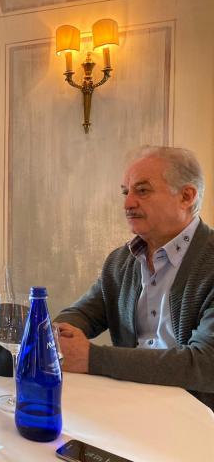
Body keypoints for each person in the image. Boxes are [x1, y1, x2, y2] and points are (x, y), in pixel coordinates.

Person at [55, 145, 214, 410]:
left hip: (195, 419)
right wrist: (56, 334)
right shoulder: (120, 261)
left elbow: (206, 364)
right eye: (125, 192)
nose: (127, 204)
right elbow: (85, 313)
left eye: (142, 191)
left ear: (186, 196)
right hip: (128, 405)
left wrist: (91, 358)